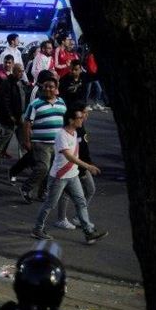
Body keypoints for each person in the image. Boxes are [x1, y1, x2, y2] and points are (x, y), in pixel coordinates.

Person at [31, 104, 108, 244]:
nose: (82, 119)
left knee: (81, 202)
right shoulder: (61, 135)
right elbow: (69, 156)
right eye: (79, 117)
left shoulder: (75, 133)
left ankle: (88, 232)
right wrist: (88, 166)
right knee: (50, 204)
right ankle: (37, 229)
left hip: (72, 175)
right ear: (71, 120)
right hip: (59, 177)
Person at [19, 77, 66, 204]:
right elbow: (27, 123)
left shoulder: (61, 102)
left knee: (51, 170)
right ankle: (26, 188)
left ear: (56, 89)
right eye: (45, 86)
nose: (47, 89)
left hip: (57, 144)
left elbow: (64, 121)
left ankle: (42, 192)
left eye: (51, 87)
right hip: (40, 143)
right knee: (43, 168)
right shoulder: (35, 104)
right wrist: (27, 141)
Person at [55, 104, 95, 230]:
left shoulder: (80, 127)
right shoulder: (71, 130)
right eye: (84, 113)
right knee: (55, 199)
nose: (86, 115)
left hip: (80, 166)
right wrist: (85, 167)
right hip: (71, 167)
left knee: (88, 191)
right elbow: (71, 153)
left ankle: (80, 220)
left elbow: (84, 149)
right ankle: (59, 220)